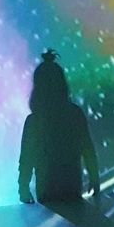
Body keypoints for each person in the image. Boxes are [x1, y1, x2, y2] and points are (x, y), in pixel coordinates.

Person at [19, 49, 100, 204]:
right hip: (71, 185)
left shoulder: (34, 121)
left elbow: (26, 158)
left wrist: (23, 188)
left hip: (46, 188)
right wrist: (94, 179)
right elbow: (87, 149)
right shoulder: (75, 114)